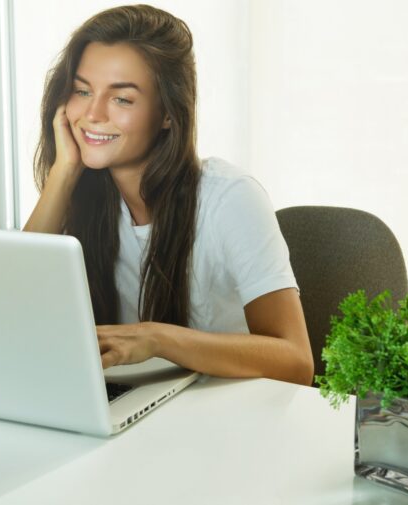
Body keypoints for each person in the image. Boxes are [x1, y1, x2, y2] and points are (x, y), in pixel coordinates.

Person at [24, 4, 314, 385]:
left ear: (167, 114)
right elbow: (12, 309)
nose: (92, 114)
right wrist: (64, 173)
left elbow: (296, 362)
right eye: (82, 90)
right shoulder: (85, 195)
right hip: (134, 408)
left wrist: (158, 338)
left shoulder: (230, 199)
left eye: (122, 98)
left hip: (227, 410)